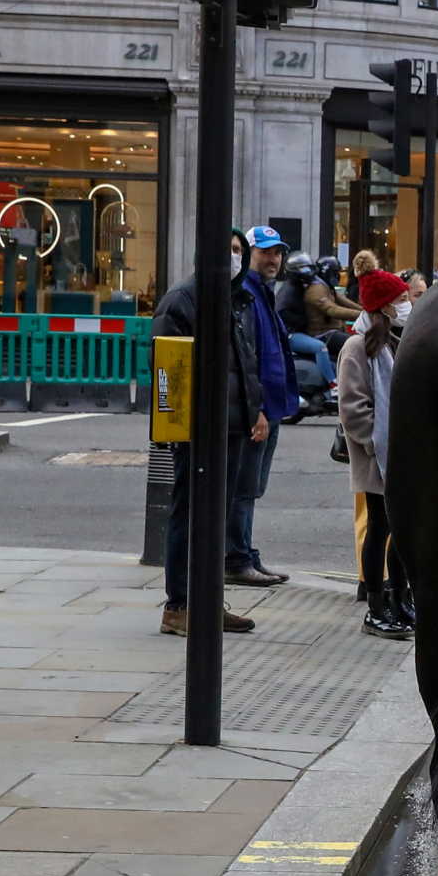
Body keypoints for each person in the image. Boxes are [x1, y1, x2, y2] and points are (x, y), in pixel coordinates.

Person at [152, 233, 265, 637]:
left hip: (233, 426)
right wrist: (183, 427)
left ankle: (207, 601)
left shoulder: (236, 299)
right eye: (227, 249)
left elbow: (244, 363)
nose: (234, 258)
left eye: (238, 251)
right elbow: (167, 366)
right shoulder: (183, 298)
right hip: (199, 430)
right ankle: (180, 605)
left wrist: (256, 412)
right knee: (190, 513)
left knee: (216, 514)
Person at [337, 269, 413, 639]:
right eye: (400, 299)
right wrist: (375, 443)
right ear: (383, 306)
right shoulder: (357, 347)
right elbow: (352, 408)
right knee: (379, 528)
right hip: (376, 457)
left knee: (400, 531)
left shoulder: (396, 341)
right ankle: (376, 606)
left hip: (399, 454)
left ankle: (400, 598)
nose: (407, 304)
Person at [232, 226, 301, 588]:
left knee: (252, 487)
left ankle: (244, 552)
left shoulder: (263, 293)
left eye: (277, 253)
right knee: (244, 486)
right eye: (265, 252)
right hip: (255, 411)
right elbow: (247, 358)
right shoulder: (245, 294)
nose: (273, 259)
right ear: (248, 254)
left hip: (269, 409)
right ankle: (236, 558)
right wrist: (256, 410)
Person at [274, 257, 338, 415]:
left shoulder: (298, 287)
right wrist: (302, 322)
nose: (309, 272)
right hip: (290, 334)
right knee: (320, 348)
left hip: (293, 332)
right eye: (305, 269)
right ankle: (333, 385)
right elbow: (282, 313)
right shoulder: (289, 290)